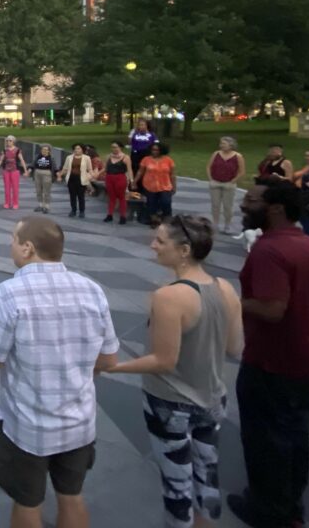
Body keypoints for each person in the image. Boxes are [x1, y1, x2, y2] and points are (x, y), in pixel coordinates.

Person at [0, 217, 119, 528]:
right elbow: (109, 359)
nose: (11, 245)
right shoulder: (92, 290)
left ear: (28, 248)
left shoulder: (11, 293)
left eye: (13, 239)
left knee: (28, 504)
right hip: (79, 424)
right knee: (71, 497)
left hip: (28, 428)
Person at [102, 216, 243, 528]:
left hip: (172, 402)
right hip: (213, 398)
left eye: (160, 241)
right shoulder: (226, 289)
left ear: (184, 250)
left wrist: (114, 366)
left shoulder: (170, 296)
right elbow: (235, 347)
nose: (153, 245)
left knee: (176, 485)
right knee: (207, 474)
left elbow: (164, 360)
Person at [228, 181, 309, 528]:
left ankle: (270, 511)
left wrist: (234, 303)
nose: (243, 206)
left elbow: (272, 308)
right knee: (296, 437)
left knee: (267, 440)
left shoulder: (268, 250)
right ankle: (291, 505)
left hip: (275, 362)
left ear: (275, 208)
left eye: (250, 201)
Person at [206, 136, 245, 233]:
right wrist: (211, 179)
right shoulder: (216, 154)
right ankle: (215, 224)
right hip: (215, 182)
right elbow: (208, 167)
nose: (221, 145)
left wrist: (233, 180)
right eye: (221, 143)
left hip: (229, 183)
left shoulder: (238, 156)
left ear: (231, 145)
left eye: (224, 144)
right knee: (215, 205)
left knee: (228, 206)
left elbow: (242, 171)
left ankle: (227, 225)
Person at [136, 143, 177, 223]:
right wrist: (134, 182)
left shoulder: (168, 160)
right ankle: (154, 220)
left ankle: (167, 219)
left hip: (165, 186)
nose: (154, 152)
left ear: (161, 151)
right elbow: (140, 172)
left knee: (166, 202)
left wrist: (174, 186)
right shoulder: (146, 159)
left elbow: (172, 175)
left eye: (157, 150)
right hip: (150, 186)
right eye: (153, 150)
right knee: (151, 204)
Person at [57, 143, 93, 219]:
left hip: (81, 179)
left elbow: (90, 169)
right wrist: (60, 175)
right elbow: (65, 168)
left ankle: (82, 211)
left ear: (82, 149)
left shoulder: (86, 158)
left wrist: (91, 176)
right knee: (72, 196)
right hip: (71, 178)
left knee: (81, 196)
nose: (77, 150)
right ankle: (73, 210)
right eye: (75, 149)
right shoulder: (69, 158)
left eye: (79, 148)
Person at [103, 141, 134, 225]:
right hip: (109, 177)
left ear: (120, 148)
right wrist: (96, 174)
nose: (114, 149)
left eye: (116, 147)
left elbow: (129, 170)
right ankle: (110, 215)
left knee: (121, 197)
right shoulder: (108, 156)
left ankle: (122, 216)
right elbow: (105, 168)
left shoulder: (125, 157)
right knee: (111, 197)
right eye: (113, 147)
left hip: (120, 178)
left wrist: (131, 180)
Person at [0, 136, 28, 210]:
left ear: (13, 141)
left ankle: (15, 203)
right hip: (6, 171)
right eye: (7, 141)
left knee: (15, 188)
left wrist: (25, 171)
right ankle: (7, 203)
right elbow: (1, 160)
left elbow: (22, 160)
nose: (8, 142)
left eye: (10, 141)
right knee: (7, 188)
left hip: (15, 171)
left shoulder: (17, 150)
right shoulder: (5, 150)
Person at [30, 145, 55, 214]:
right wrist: (29, 170)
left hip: (47, 173)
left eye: (46, 150)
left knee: (46, 190)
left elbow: (54, 167)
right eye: (43, 149)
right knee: (38, 190)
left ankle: (46, 206)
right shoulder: (37, 157)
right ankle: (40, 205)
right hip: (37, 173)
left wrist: (57, 175)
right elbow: (33, 164)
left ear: (49, 151)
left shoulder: (51, 158)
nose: (44, 151)